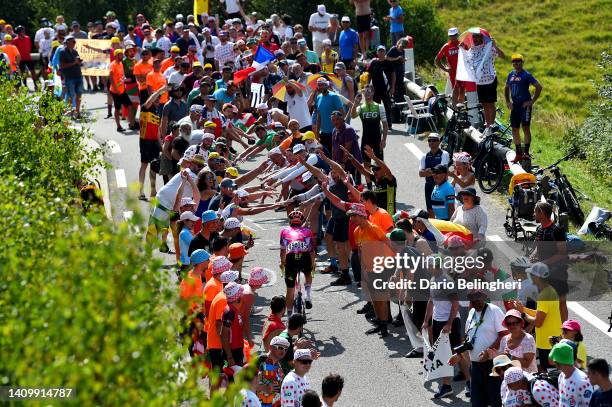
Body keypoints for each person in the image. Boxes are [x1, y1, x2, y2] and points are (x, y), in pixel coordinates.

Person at [511, 262, 562, 372]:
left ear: (537, 277)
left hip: (546, 342)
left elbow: (538, 322)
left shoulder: (544, 295)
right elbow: (539, 313)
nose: (530, 278)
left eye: (532, 275)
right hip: (552, 339)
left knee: (549, 375)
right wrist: (523, 309)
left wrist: (523, 314)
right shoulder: (549, 290)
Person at [422, 254, 461, 398]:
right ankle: (447, 385)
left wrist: (449, 323)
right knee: (444, 353)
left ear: (435, 266)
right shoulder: (433, 279)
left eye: (428, 265)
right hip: (438, 322)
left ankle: (467, 381)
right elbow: (431, 301)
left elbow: (455, 303)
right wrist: (427, 321)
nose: (427, 267)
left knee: (456, 353)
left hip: (449, 322)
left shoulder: (446, 281)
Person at [531, 201, 569, 322]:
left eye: (535, 212)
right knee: (543, 302)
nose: (533, 215)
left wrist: (545, 262)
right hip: (542, 274)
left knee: (561, 302)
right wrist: (531, 258)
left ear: (541, 213)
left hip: (558, 273)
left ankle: (564, 330)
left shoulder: (557, 230)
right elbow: (538, 247)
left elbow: (562, 253)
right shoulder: (539, 229)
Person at [463, 30, 505, 130]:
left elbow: (502, 56)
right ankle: (487, 124)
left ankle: (491, 125)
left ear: (482, 38)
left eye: (478, 37)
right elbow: (466, 61)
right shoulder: (471, 50)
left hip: (490, 79)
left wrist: (495, 45)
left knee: (490, 103)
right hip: (479, 81)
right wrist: (461, 48)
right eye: (474, 37)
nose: (476, 39)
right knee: (484, 104)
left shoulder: (488, 47)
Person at [504, 53, 543, 161]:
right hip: (515, 106)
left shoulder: (526, 75)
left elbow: (539, 87)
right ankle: (518, 154)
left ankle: (526, 152)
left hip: (524, 106)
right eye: (514, 61)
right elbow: (506, 88)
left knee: (525, 127)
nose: (516, 63)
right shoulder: (510, 75)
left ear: (522, 62)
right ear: (512, 63)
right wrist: (508, 101)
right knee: (514, 129)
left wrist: (531, 101)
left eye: (518, 61)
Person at [280, 210, 315, 315]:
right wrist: (312, 264)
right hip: (304, 257)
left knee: (290, 290)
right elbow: (312, 251)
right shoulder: (308, 231)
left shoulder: (284, 231)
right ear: (302, 221)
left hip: (291, 258)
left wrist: (282, 262)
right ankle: (308, 296)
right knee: (308, 272)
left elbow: (282, 250)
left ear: (290, 221)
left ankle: (289, 317)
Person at [351, 85, 388, 177]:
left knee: (379, 163)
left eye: (369, 91)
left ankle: (380, 183)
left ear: (373, 92)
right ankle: (370, 186)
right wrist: (355, 103)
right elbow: (353, 115)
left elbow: (385, 124)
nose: (367, 93)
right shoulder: (361, 107)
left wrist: (384, 140)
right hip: (366, 140)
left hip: (377, 139)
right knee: (366, 164)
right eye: (365, 91)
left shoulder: (379, 107)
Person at [550, 342, 594, 406]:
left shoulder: (582, 381)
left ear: (558, 361)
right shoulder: (561, 376)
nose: (553, 362)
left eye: (554, 360)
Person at [497, 309, 537, 373]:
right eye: (509, 324)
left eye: (515, 323)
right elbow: (502, 362)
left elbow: (527, 364)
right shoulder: (504, 339)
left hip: (527, 379)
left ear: (521, 323)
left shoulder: (528, 339)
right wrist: (493, 355)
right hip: (509, 378)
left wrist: (510, 356)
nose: (512, 326)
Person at [108, 49, 136, 132]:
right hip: (115, 91)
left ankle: (131, 124)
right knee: (117, 109)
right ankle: (119, 126)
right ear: (116, 55)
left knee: (130, 106)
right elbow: (111, 77)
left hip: (122, 90)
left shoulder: (121, 63)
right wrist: (116, 89)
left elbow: (121, 76)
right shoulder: (113, 65)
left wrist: (125, 80)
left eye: (121, 54)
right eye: (120, 55)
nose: (122, 56)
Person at [313, 78, 344, 155]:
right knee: (327, 155)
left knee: (337, 154)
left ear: (327, 85)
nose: (321, 87)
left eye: (323, 85)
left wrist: (340, 128)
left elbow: (342, 112)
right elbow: (319, 116)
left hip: (335, 131)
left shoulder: (334, 96)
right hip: (323, 133)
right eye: (319, 85)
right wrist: (317, 134)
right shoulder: (318, 97)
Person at [256, 335, 288, 407]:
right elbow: (243, 381)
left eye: (286, 349)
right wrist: (264, 387)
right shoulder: (260, 360)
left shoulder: (280, 366)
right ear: (271, 347)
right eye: (280, 348)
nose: (283, 351)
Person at [367, 45, 394, 127]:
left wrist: (392, 87)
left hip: (386, 89)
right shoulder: (373, 62)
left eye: (383, 51)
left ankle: (389, 124)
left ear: (385, 52)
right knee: (376, 108)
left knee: (387, 108)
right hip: (375, 90)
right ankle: (377, 124)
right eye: (380, 51)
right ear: (377, 52)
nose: (381, 52)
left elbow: (393, 75)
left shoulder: (388, 63)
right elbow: (369, 74)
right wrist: (368, 86)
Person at [435, 28, 463, 106]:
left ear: (457, 35)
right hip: (453, 73)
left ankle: (461, 107)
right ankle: (455, 109)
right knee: (456, 90)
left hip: (463, 72)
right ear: (448, 36)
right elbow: (437, 60)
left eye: (454, 35)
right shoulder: (446, 46)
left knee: (462, 90)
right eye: (451, 35)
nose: (453, 37)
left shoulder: (462, 44)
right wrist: (445, 69)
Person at [59, 36, 83, 118]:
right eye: (73, 42)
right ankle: (70, 112)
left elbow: (77, 62)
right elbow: (62, 65)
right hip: (69, 77)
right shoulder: (62, 52)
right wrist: (74, 63)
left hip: (78, 75)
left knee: (79, 95)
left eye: (74, 42)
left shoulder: (75, 52)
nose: (74, 43)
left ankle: (77, 112)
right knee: (70, 95)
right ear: (67, 42)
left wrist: (79, 62)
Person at [13, 26, 38, 90]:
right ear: (19, 32)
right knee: (23, 72)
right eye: (22, 31)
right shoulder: (15, 40)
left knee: (33, 71)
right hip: (21, 59)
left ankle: (35, 84)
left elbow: (29, 46)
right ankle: (25, 85)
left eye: (23, 31)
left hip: (28, 57)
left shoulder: (27, 38)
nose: (23, 32)